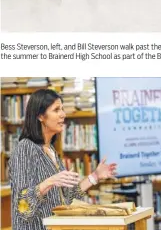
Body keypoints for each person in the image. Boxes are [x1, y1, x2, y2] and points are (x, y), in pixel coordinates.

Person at [9, 89, 117, 230]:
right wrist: (49, 182)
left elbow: (66, 200)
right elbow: (21, 207)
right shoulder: (25, 148)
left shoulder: (51, 151)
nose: (63, 114)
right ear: (41, 116)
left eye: (63, 109)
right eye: (56, 110)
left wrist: (94, 176)